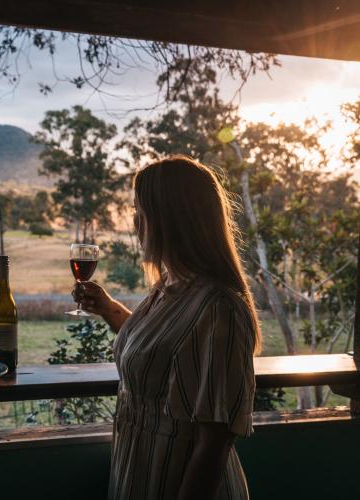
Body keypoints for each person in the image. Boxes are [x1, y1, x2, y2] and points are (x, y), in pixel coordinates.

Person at [74, 156, 259, 500]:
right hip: (140, 471)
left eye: (141, 213)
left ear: (169, 221)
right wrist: (109, 308)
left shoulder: (219, 309)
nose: (135, 223)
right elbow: (163, 354)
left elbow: (215, 444)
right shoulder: (169, 286)